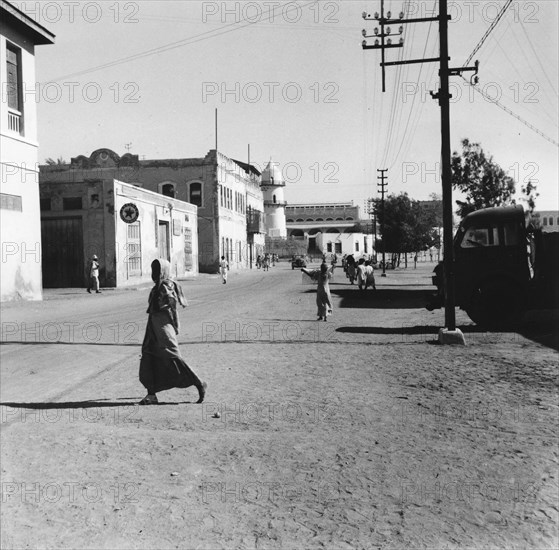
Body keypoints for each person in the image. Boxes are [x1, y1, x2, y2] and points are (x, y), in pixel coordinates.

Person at [139, 259, 207, 405]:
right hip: (153, 327)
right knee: (149, 357)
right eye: (153, 270)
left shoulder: (166, 286)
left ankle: (199, 383)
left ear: (163, 271)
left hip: (163, 327)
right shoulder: (157, 286)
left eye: (157, 270)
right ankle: (151, 394)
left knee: (173, 356)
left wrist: (175, 326)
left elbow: (172, 307)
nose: (154, 273)